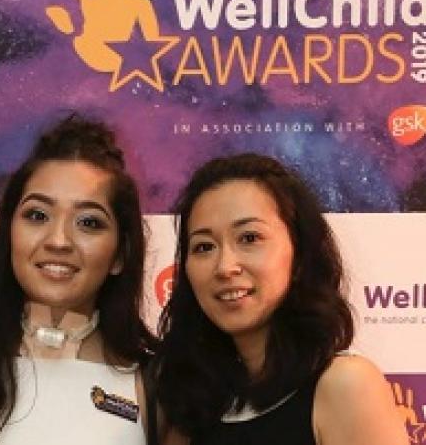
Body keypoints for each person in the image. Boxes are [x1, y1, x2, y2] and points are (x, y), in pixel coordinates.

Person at [0, 114, 159, 445]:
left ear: (120, 254)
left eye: (89, 222)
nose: (58, 241)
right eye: (37, 215)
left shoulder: (156, 385)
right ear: (9, 234)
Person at [151, 153, 408, 445]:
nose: (225, 267)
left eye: (249, 238)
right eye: (204, 246)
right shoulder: (189, 402)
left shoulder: (344, 385)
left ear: (299, 254)